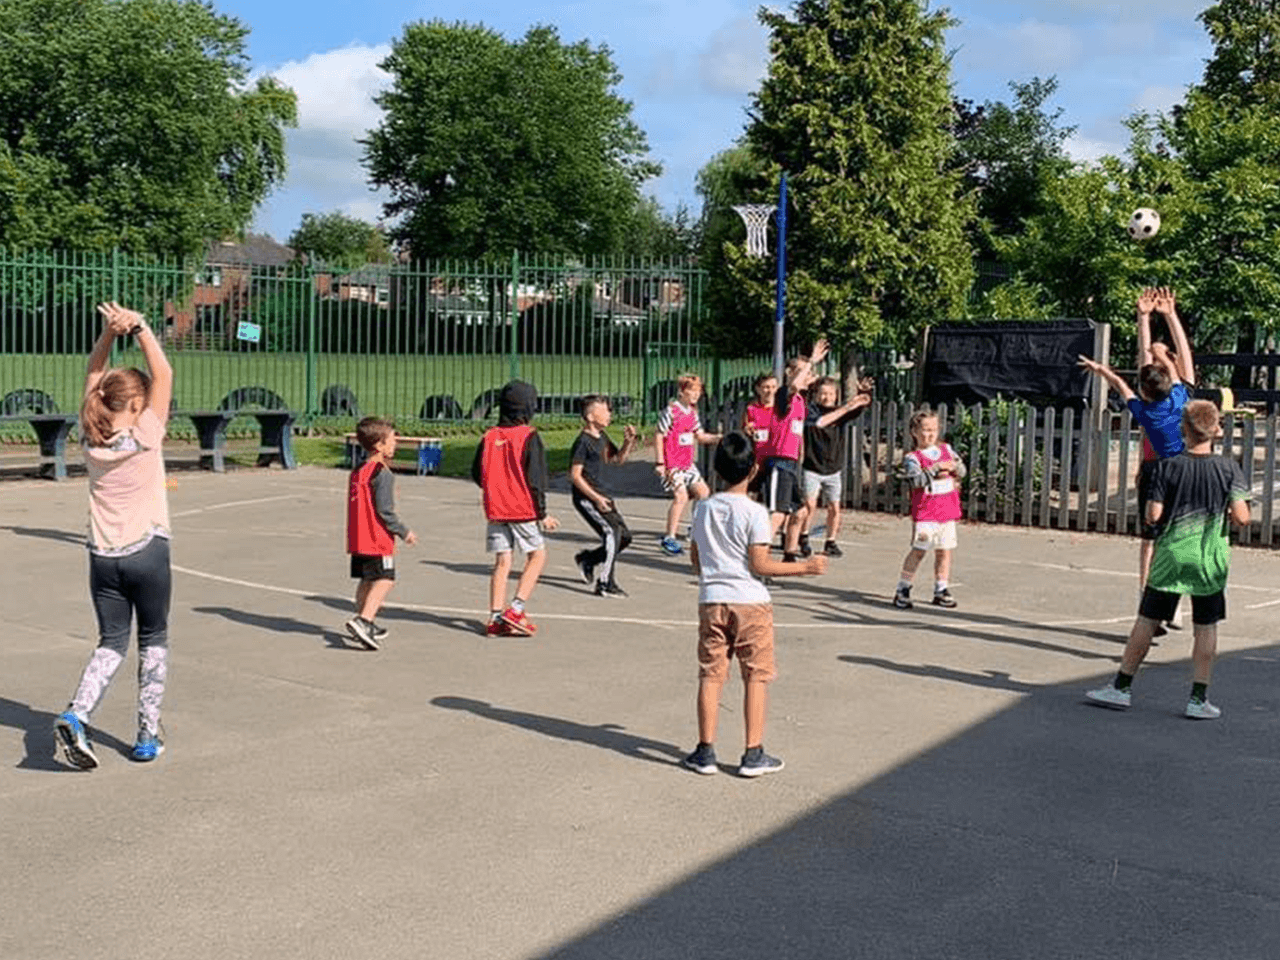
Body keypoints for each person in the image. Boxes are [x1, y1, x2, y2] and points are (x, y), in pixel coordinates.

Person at [54, 301, 175, 768]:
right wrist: (139, 326)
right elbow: (162, 371)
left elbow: (93, 374)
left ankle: (78, 712)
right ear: (138, 404)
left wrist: (107, 335)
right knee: (154, 639)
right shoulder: (146, 433)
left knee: (111, 641)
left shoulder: (90, 432)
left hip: (102, 556)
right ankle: (147, 732)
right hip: (147, 549)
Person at [1085, 400, 1250, 719]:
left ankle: (1122, 686)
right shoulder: (1228, 468)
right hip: (1208, 558)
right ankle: (1198, 698)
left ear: (1183, 430)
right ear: (1216, 429)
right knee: (1206, 626)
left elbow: (1154, 513)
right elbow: (1242, 517)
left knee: (1147, 620)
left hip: (1171, 555)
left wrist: (1157, 521)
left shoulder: (1167, 465)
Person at [682, 432, 828, 778]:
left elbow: (695, 559)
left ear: (716, 470)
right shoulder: (755, 512)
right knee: (756, 676)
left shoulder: (703, 508)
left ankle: (705, 750)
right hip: (750, 601)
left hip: (712, 598)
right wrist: (805, 567)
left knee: (711, 673)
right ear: (753, 470)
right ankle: (753, 752)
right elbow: (760, 565)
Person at [1079, 287, 1195, 631]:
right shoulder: (1178, 394)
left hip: (1157, 472)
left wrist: (1145, 318)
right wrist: (1165, 316)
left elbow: (1135, 377)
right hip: (1176, 471)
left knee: (1155, 540)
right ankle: (1160, 602)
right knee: (1167, 539)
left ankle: (1157, 601)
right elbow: (1173, 362)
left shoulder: (1149, 405)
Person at [472, 380, 559, 637]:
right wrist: (541, 513)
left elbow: (477, 473)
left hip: (496, 508)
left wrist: (493, 488)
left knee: (502, 561)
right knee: (537, 555)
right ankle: (516, 608)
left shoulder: (489, 436)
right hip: (521, 508)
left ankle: (494, 616)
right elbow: (536, 479)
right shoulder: (528, 436)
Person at [345, 417, 417, 649]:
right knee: (385, 580)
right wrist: (404, 532)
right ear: (379, 445)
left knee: (367, 580)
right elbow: (385, 511)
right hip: (376, 539)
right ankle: (364, 621)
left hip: (358, 538)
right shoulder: (382, 474)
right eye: (392, 440)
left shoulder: (358, 471)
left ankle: (365, 619)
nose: (395, 443)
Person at [761, 339, 829, 561]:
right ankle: (759, 557)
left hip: (791, 464)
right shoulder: (784, 396)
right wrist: (810, 361)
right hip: (778, 463)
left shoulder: (802, 401)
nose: (807, 375)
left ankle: (789, 555)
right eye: (800, 372)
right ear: (790, 373)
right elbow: (793, 386)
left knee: (800, 512)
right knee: (778, 514)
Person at [892, 409, 966, 610]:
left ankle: (941, 588)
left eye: (933, 429)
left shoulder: (947, 450)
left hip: (947, 511)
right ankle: (903, 587)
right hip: (926, 514)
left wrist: (953, 467)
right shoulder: (912, 458)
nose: (930, 434)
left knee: (944, 552)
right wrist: (934, 469)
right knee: (918, 551)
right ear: (914, 432)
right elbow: (916, 481)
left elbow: (962, 470)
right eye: (925, 430)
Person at [798, 375, 874, 558]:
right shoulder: (810, 411)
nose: (827, 397)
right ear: (817, 394)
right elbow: (821, 422)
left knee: (835, 507)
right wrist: (847, 406)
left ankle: (830, 542)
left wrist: (864, 392)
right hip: (812, 466)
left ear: (836, 395)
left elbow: (860, 406)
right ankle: (804, 537)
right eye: (823, 393)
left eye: (831, 393)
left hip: (833, 468)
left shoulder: (841, 412)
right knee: (810, 505)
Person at [570, 395, 638, 597]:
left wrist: (628, 442)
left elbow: (617, 459)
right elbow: (575, 475)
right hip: (587, 497)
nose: (610, 413)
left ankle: (589, 559)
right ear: (591, 417)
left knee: (624, 537)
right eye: (605, 410)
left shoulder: (602, 437)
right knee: (612, 532)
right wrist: (595, 498)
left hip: (602, 495)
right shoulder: (583, 442)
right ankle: (605, 583)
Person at [655, 374, 721, 555]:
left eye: (698, 391)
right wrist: (660, 462)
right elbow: (659, 435)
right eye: (691, 390)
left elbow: (700, 436)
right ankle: (669, 537)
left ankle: (695, 528)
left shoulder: (692, 413)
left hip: (687, 464)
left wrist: (718, 438)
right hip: (672, 464)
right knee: (681, 497)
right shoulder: (671, 411)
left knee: (703, 492)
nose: (695, 394)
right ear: (681, 391)